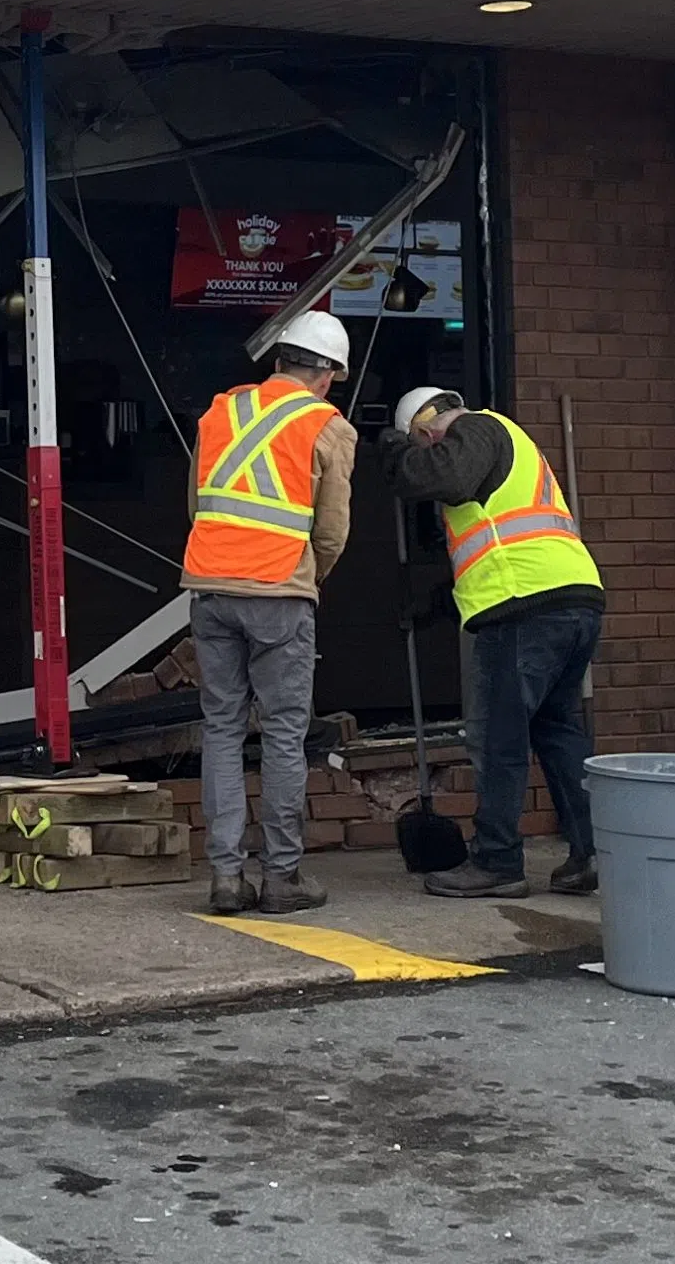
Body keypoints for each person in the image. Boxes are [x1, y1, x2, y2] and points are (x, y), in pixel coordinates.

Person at [391, 387, 604, 900]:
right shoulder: (507, 445)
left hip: (523, 605)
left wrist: (393, 455)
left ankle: (498, 861)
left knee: (498, 738)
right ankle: (592, 851)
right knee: (558, 731)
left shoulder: (475, 428)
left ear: (425, 428)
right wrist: (439, 602)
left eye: (419, 444)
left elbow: (446, 477)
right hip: (570, 599)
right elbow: (494, 540)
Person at [181, 307, 358, 916]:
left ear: (279, 360)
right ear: (328, 374)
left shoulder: (220, 411)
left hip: (210, 585)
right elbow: (331, 532)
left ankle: (225, 879)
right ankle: (282, 876)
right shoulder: (326, 425)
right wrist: (309, 578)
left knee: (222, 730)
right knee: (283, 734)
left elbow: (197, 503)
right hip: (279, 591)